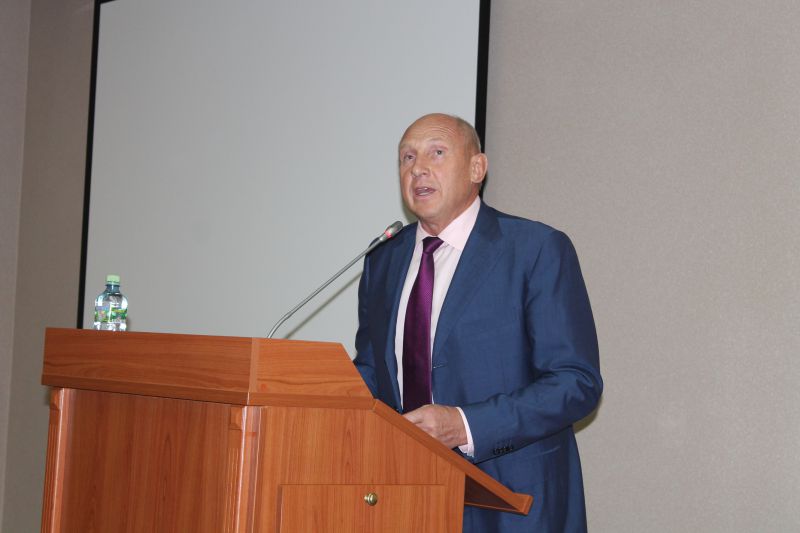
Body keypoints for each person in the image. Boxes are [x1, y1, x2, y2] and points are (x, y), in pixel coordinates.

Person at [353, 113, 602, 532]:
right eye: (407, 157)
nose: (418, 169)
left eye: (436, 153)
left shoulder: (534, 249)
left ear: (476, 169)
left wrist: (464, 425)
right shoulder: (383, 260)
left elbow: (575, 382)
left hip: (515, 502)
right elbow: (372, 374)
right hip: (407, 499)